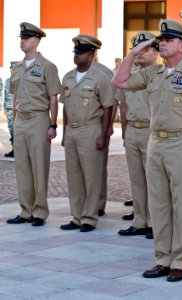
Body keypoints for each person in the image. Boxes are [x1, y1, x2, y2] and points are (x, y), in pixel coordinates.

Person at [112, 19, 182, 282]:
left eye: (168, 40)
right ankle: (162, 259)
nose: (162, 43)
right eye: (161, 40)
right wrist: (135, 52)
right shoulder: (154, 73)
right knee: (158, 205)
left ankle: (180, 261)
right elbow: (119, 80)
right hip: (156, 142)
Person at [6, 22, 61, 227]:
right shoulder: (18, 67)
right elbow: (14, 97)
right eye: (21, 38)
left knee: (39, 167)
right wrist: (14, 122)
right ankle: (25, 210)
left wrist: (53, 125)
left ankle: (39, 212)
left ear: (37, 41)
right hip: (21, 121)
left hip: (39, 119)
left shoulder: (47, 66)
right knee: (22, 168)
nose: (23, 41)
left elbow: (53, 98)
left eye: (27, 38)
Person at [59, 34, 114, 232]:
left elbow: (108, 107)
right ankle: (76, 216)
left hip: (91, 129)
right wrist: (64, 133)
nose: (77, 56)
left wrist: (104, 134)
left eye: (81, 53)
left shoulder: (100, 77)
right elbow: (65, 107)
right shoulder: (68, 77)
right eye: (76, 52)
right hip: (72, 130)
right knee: (74, 176)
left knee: (92, 176)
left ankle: (90, 217)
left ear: (91, 54)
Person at [117, 31, 159, 239]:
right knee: (136, 180)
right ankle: (140, 220)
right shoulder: (129, 75)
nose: (141, 54)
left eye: (146, 49)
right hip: (133, 130)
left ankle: (155, 222)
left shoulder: (160, 74)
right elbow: (123, 106)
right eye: (137, 49)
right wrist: (125, 133)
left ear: (156, 53)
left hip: (152, 131)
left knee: (154, 180)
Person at [3, 61, 17, 158]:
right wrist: (4, 107)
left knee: (17, 131)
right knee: (11, 130)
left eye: (14, 68)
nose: (12, 69)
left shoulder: (19, 81)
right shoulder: (7, 81)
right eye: (11, 67)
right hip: (8, 110)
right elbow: (5, 95)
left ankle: (19, 151)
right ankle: (14, 150)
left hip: (16, 110)